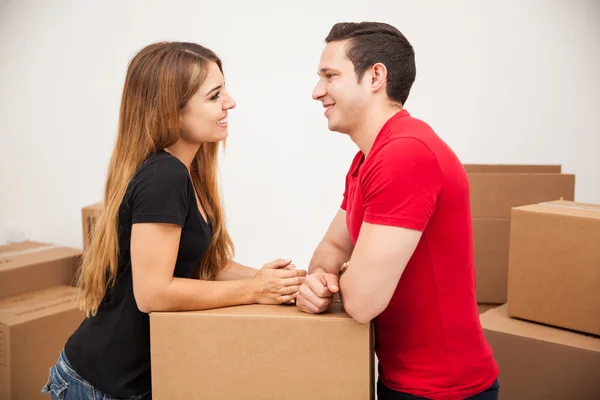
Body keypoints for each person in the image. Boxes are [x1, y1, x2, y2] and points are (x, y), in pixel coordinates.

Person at [42, 41, 306, 400]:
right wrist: (256, 290)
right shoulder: (163, 176)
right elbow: (153, 293)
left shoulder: (184, 170)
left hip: (134, 378)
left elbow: (199, 263)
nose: (230, 102)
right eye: (214, 96)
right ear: (173, 110)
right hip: (101, 384)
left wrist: (282, 282)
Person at [296, 22, 500, 400]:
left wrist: (338, 279)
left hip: (443, 390)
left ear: (375, 76)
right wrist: (321, 281)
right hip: (400, 380)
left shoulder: (405, 155)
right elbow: (331, 250)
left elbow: (362, 302)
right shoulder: (367, 159)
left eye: (330, 76)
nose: (316, 91)